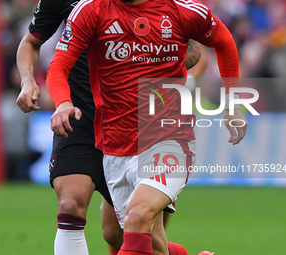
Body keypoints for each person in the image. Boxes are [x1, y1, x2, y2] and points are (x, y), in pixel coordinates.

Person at [46, 0, 248, 254]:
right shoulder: (91, 11)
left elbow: (224, 42)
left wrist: (231, 104)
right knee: (128, 239)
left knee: (138, 215)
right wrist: (63, 102)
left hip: (169, 138)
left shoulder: (182, 10)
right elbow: (58, 65)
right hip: (115, 147)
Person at [16, 0, 202, 254]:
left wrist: (146, 55)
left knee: (119, 235)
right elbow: (30, 42)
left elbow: (193, 50)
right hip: (77, 113)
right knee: (70, 204)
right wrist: (28, 82)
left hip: (132, 118)